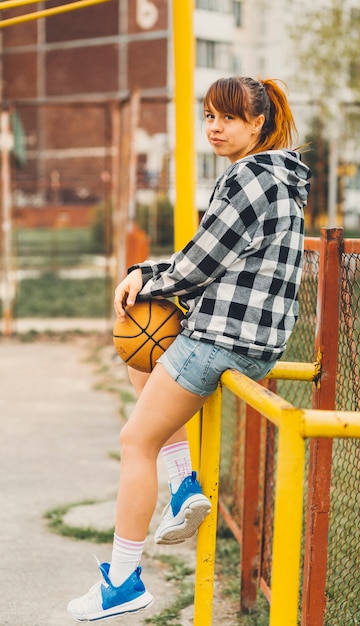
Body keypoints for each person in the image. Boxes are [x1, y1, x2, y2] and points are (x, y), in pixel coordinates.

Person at [67, 76, 311, 622]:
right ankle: (184, 486)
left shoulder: (249, 177)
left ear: (258, 124)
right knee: (143, 347)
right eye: (208, 116)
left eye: (228, 117)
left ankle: (124, 580)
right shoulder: (279, 179)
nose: (215, 127)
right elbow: (211, 257)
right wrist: (148, 275)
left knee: (135, 441)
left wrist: (141, 278)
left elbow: (199, 265)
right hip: (251, 340)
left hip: (224, 338)